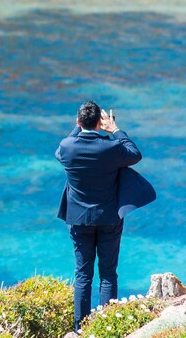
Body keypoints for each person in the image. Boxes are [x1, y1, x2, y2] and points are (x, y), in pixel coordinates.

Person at [55, 100, 142, 333]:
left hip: (78, 218)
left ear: (77, 122)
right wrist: (114, 130)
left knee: (83, 275)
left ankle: (80, 329)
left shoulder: (66, 147)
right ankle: (105, 327)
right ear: (99, 123)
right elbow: (135, 154)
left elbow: (61, 149)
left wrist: (79, 128)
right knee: (108, 274)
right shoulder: (110, 147)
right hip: (109, 218)